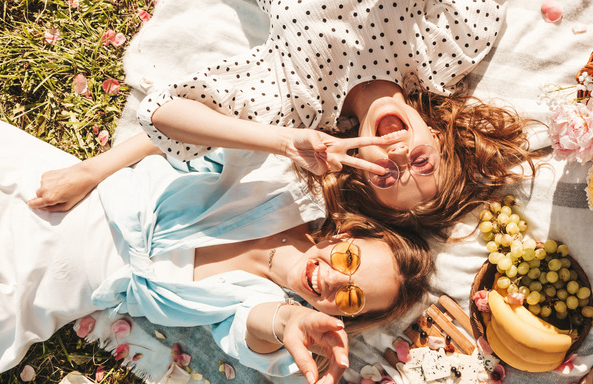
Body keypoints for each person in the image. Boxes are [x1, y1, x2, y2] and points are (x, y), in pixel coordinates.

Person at [0, 120, 432, 384]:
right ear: (346, 234)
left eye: (349, 296)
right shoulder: (279, 183)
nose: (332, 279)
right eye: (348, 259)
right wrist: (92, 169)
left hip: (52, 289)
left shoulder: (263, 304)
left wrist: (290, 319)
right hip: (75, 205)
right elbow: (179, 128)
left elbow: (251, 332)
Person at [131, 0, 537, 238]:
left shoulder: (300, 105)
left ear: (359, 176)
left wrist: (283, 141)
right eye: (420, 162)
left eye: (387, 176)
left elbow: (160, 112)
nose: (396, 156)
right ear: (438, 138)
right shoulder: (445, 51)